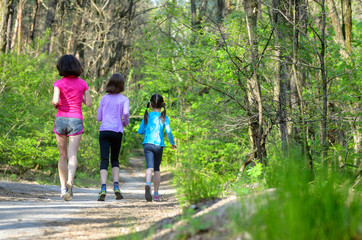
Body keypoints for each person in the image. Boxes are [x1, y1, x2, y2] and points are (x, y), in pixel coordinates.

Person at [52, 54, 92, 201]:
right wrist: (79, 96)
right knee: (72, 154)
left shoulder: (58, 83)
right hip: (76, 119)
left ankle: (63, 189)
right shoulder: (83, 83)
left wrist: (57, 103)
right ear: (76, 67)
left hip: (61, 119)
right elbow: (89, 103)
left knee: (62, 155)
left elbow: (55, 101)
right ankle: (70, 181)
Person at [96, 73, 129, 201]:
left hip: (104, 131)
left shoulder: (104, 98)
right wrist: (125, 122)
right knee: (114, 159)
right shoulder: (124, 99)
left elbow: (99, 118)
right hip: (117, 131)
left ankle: (103, 188)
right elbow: (125, 113)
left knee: (104, 160)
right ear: (122, 85)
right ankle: (116, 187)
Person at [138, 94, 176, 202]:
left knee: (149, 167)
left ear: (150, 105)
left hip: (148, 144)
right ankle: (155, 195)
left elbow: (140, 131)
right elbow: (168, 132)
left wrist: (148, 131)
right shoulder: (164, 117)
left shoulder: (147, 116)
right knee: (157, 169)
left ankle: (148, 184)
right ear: (162, 104)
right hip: (159, 145)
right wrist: (172, 143)